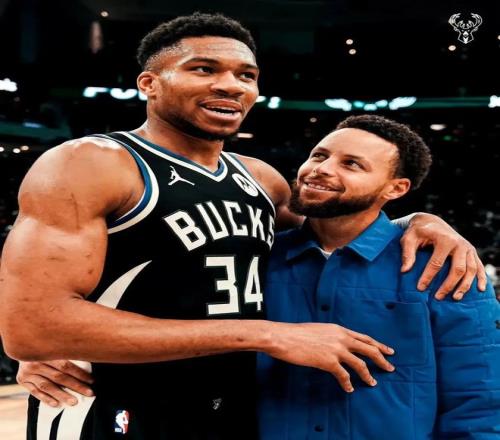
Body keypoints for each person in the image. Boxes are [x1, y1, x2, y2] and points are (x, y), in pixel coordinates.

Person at [0, 12, 485, 440]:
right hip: (112, 406)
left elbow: (344, 231)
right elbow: (32, 326)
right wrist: (266, 334)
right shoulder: (90, 163)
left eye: (246, 75)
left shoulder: (263, 180)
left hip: (237, 410)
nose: (231, 85)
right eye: (204, 69)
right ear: (149, 83)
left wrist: (420, 219)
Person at [257, 115, 500, 439]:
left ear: (395, 188)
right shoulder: (258, 257)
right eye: (319, 155)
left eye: (351, 164)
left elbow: (480, 402)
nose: (322, 169)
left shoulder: (445, 267)